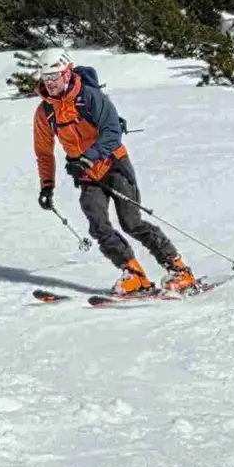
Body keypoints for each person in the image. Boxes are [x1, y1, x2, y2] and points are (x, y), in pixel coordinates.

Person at [33, 55, 197, 296]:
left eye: (54, 76)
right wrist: (47, 185)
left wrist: (88, 157)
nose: (49, 82)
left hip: (114, 164)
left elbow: (111, 132)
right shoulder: (45, 111)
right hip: (88, 175)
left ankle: (179, 270)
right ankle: (134, 274)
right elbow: (43, 152)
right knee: (98, 224)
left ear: (67, 74)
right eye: (45, 77)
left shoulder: (90, 97)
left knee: (131, 222)